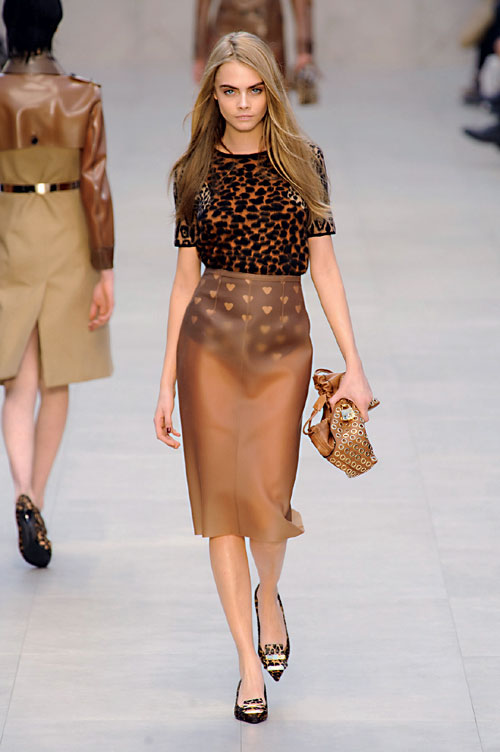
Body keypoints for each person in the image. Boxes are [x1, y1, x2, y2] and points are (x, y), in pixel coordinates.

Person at [154, 31, 373, 723]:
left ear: (271, 92)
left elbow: (325, 266)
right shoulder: (193, 169)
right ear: (213, 95)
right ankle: (248, 665)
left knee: (270, 500)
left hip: (284, 344)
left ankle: (268, 593)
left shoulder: (305, 162)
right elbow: (183, 281)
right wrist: (165, 382)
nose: (243, 104)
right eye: (229, 91)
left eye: (254, 90)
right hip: (209, 344)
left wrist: (355, 364)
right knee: (222, 505)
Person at [0, 0, 115, 568]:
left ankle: (21, 487)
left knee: (18, 384)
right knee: (57, 380)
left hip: (10, 230)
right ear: (54, 26)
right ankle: (37, 498)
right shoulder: (81, 95)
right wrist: (105, 266)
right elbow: (96, 183)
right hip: (67, 231)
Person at [193, 0, 318, 102]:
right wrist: (200, 55)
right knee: (227, 98)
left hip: (269, 34)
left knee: (272, 102)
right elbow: (202, 5)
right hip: (228, 31)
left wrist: (304, 49)